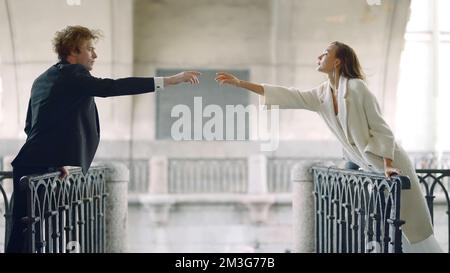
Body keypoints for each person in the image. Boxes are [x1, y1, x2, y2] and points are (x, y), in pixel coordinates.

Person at [215, 41, 443, 253]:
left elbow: (381, 129)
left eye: (325, 52)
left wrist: (388, 166)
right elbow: (288, 95)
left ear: (337, 61)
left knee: (416, 232)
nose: (319, 56)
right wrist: (240, 83)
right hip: (372, 171)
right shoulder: (322, 93)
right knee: (395, 231)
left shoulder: (357, 88)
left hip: (391, 165)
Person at [7, 25, 201, 253]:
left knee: (25, 236)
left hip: (32, 163)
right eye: (90, 49)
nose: (95, 55)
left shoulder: (45, 77)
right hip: (38, 168)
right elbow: (111, 87)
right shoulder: (73, 75)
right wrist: (168, 80)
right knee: (35, 237)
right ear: (73, 50)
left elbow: (33, 125)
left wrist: (55, 160)